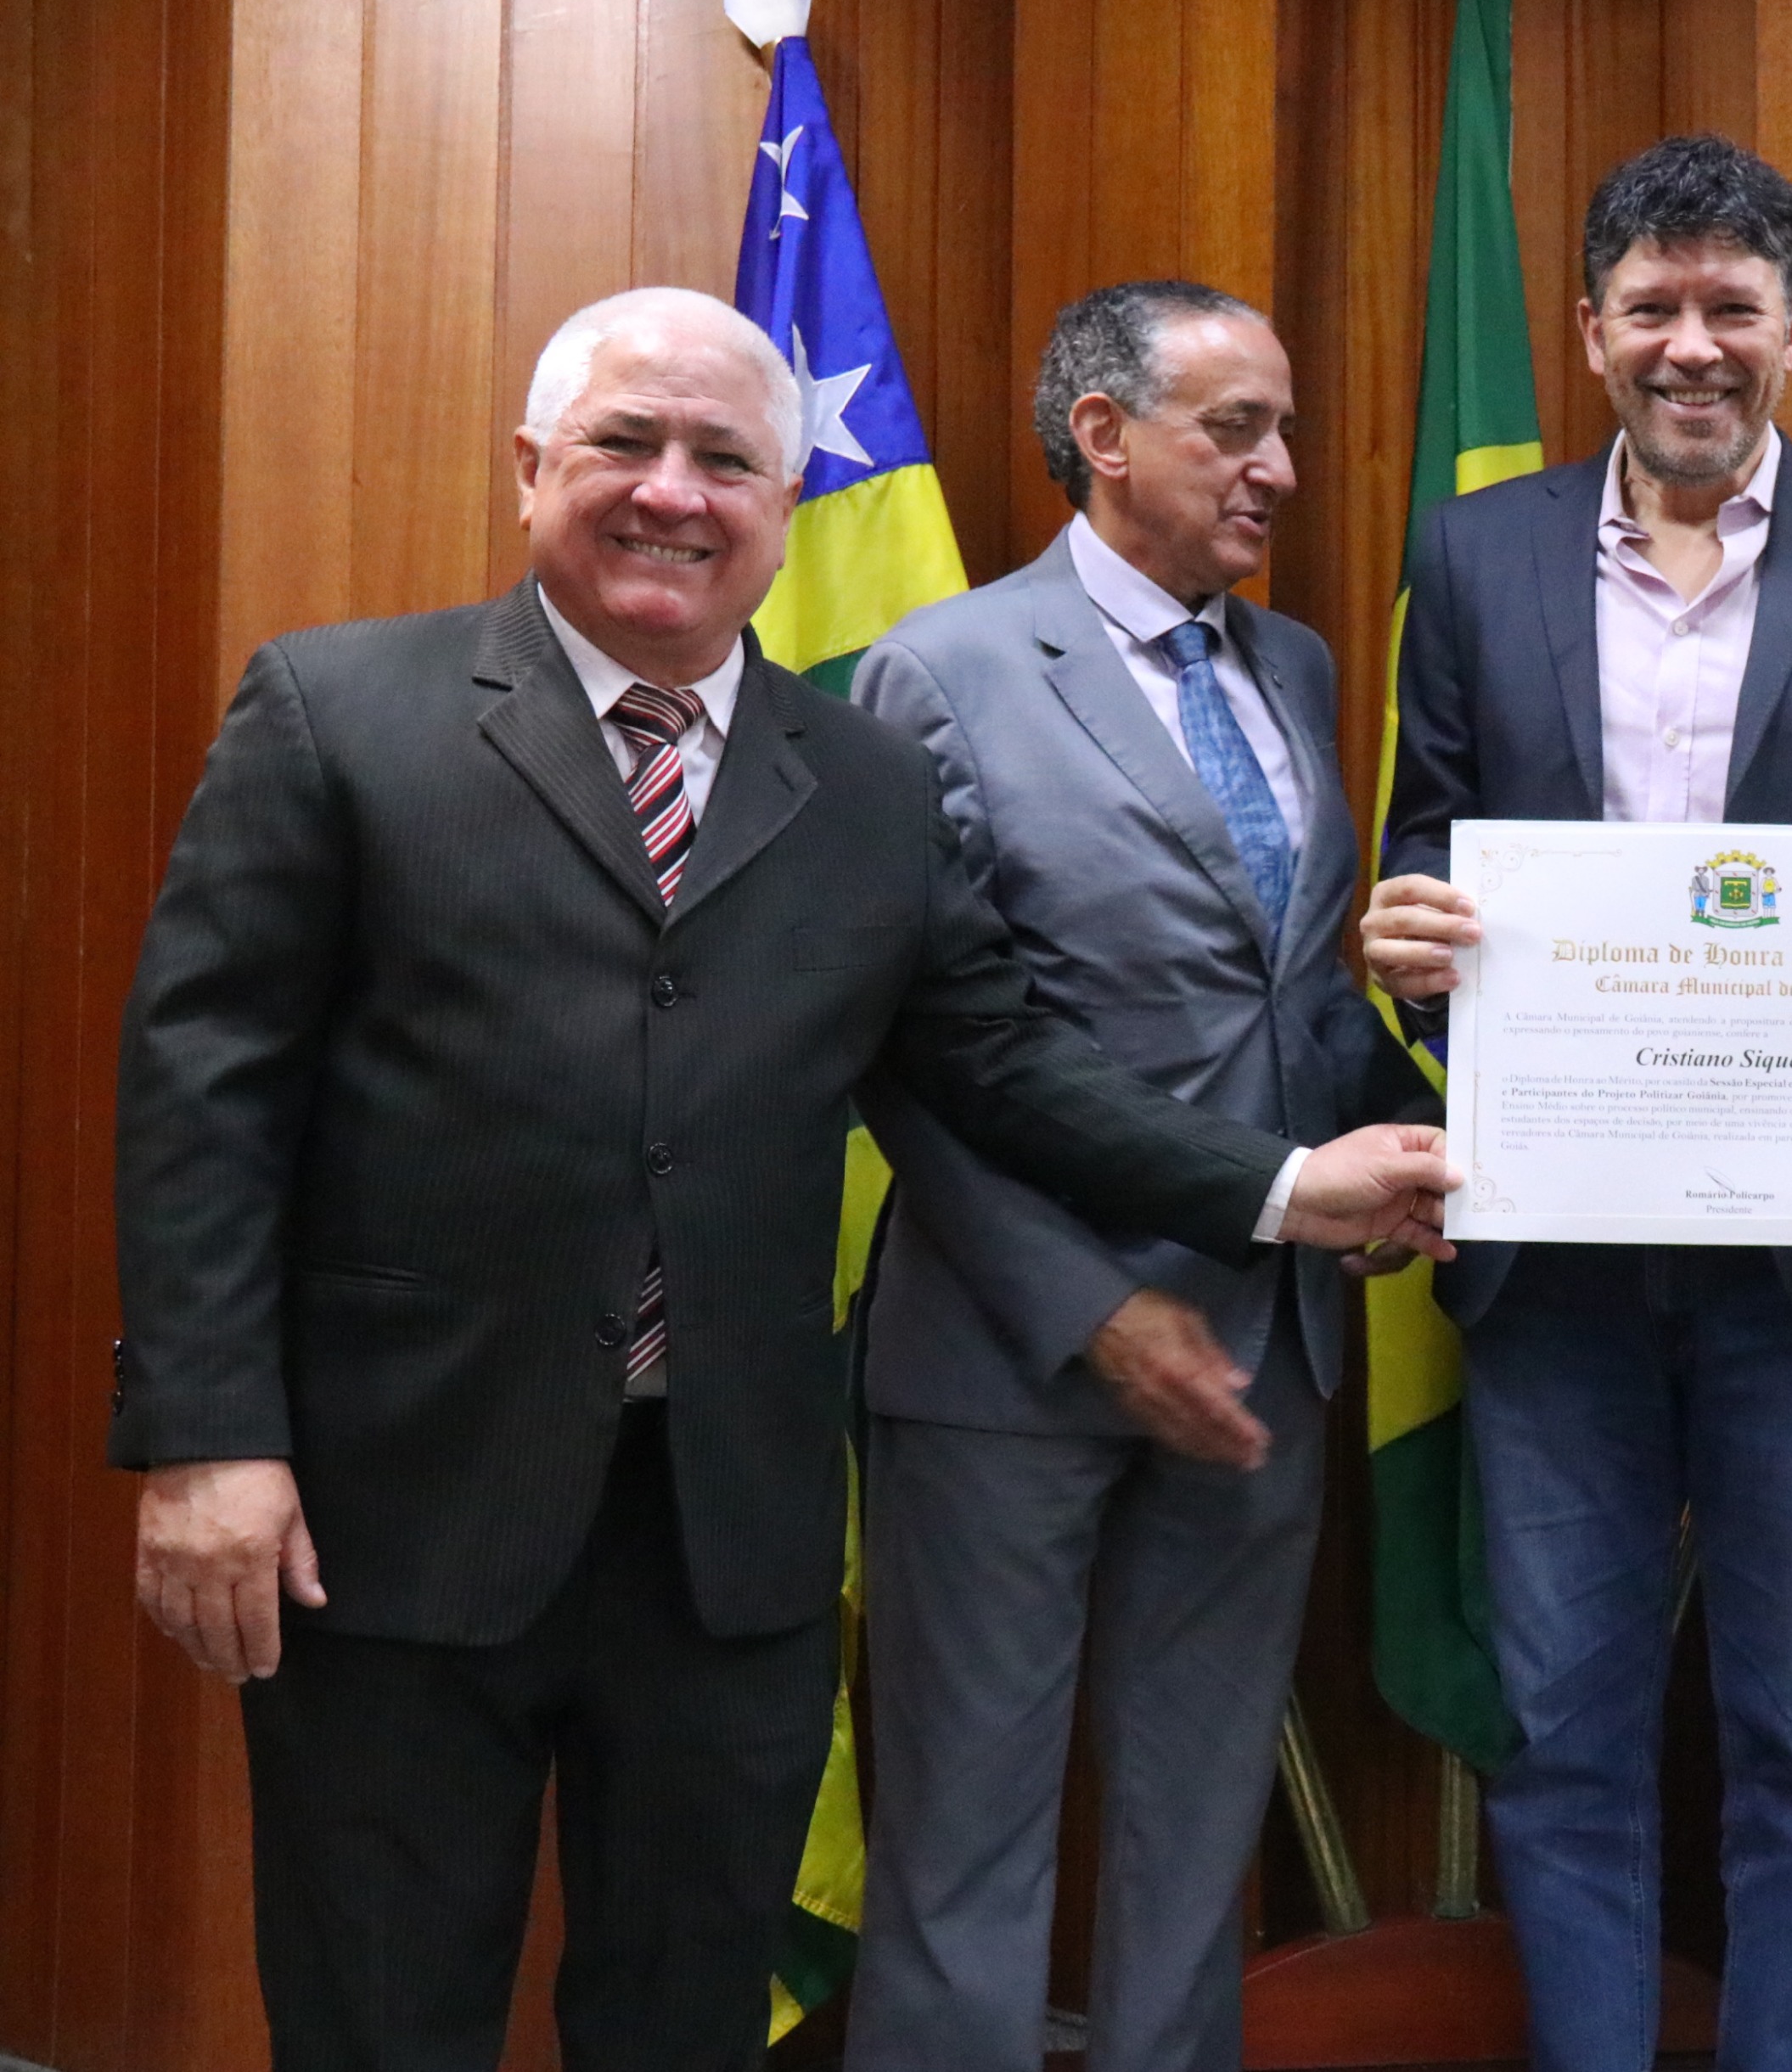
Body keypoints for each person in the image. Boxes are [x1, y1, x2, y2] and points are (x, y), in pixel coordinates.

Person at [110, 287, 1457, 2072]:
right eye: (625, 443)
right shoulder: (339, 710)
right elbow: (206, 1091)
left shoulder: (866, 778)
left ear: (783, 499)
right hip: (402, 1510)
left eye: (725, 459)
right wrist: (209, 1434)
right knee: (384, 2019)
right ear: (530, 469)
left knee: (683, 2023)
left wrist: (1284, 1184)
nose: (674, 491)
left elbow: (997, 1065)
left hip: (724, 1534)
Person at [1358, 134, 1792, 2072]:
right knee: (1564, 1731)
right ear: (1589, 331)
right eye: (1654, 307)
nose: (1693, 344)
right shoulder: (1477, 553)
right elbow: (1427, 833)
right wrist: (1409, 923)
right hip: (1552, 1256)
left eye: (1733, 306)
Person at [834, 281, 1432, 2072]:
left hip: (1265, 1349)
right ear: (1101, 434)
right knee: (965, 1847)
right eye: (1235, 428)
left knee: (1196, 1848)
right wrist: (1092, 1307)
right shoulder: (939, 669)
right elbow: (918, 1051)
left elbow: (1288, 1001)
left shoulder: (1293, 664)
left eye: (1285, 429)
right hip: (1009, 1356)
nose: (1282, 468)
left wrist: (1402, 1159)